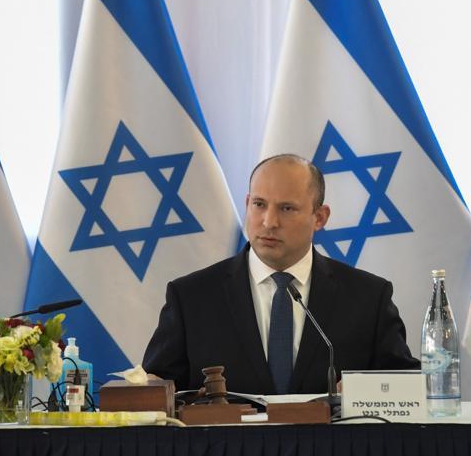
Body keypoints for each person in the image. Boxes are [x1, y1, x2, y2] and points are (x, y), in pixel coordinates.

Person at [143, 154, 419, 394]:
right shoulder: (192, 297)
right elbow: (155, 393)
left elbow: (408, 385)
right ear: (247, 203)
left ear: (320, 217)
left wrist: (366, 390)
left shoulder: (368, 297)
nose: (269, 222)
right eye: (259, 205)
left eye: (287, 208)